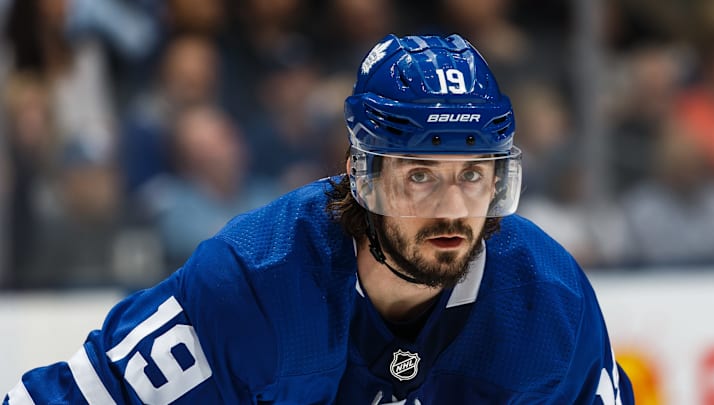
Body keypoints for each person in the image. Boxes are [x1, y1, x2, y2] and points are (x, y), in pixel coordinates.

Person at [3, 34, 634, 404]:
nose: (451, 207)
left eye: (472, 174)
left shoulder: (547, 302)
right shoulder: (256, 282)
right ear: (364, 177)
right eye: (420, 174)